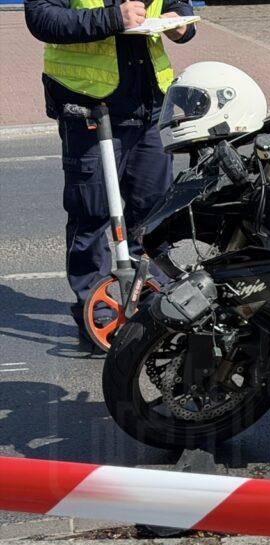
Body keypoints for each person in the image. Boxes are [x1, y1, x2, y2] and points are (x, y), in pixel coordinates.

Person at [24, 0, 196, 346]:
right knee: (91, 214)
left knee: (153, 215)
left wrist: (180, 23)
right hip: (89, 105)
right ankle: (96, 307)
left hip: (149, 108)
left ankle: (151, 302)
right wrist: (112, 18)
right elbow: (42, 18)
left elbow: (177, 6)